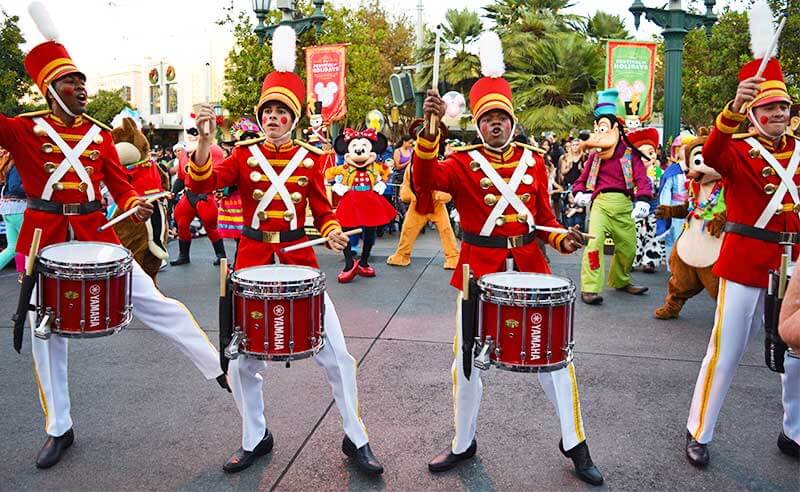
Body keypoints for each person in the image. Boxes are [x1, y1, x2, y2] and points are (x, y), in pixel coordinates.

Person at [0, 17, 225, 469]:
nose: (81, 89)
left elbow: (120, 187)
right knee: (48, 337)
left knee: (155, 301)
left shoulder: (100, 135)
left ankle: (219, 369)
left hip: (96, 234)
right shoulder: (24, 130)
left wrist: (135, 202)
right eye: (71, 82)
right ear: (50, 89)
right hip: (43, 240)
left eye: (83, 81)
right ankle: (59, 428)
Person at [189, 26, 383, 475]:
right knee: (241, 362)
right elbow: (202, 183)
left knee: (338, 356)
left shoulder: (312, 159)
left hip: (300, 260)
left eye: (281, 111)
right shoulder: (241, 155)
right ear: (260, 116)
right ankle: (254, 436)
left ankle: (356, 438)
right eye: (268, 110)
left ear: (293, 118)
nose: (273, 116)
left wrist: (333, 232)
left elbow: (324, 208)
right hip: (253, 264)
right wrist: (203, 140)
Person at [414, 31, 603, 486]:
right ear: (478, 124)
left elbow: (542, 220)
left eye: (501, 116)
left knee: (555, 359)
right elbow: (423, 192)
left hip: (531, 271)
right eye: (487, 118)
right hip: (479, 273)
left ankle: (575, 443)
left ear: (512, 121)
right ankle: (463, 442)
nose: (495, 123)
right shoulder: (461, 162)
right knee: (466, 363)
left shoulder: (535, 162)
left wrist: (563, 241)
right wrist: (428, 134)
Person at [684, 6, 799, 465]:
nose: (779, 112)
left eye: (785, 106)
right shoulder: (735, 149)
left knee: (799, 348)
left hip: (795, 263)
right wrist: (731, 108)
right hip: (747, 257)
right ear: (753, 111)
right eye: (770, 106)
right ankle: (699, 430)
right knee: (726, 349)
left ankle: (794, 431)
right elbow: (711, 150)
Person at [571, 89, 653, 306]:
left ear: (616, 129)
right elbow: (581, 180)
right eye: (597, 129)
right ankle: (590, 288)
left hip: (624, 205)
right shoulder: (594, 157)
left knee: (628, 247)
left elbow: (642, 178)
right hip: (600, 204)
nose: (598, 134)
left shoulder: (629, 153)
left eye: (604, 128)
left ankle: (620, 280)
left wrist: (643, 199)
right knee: (594, 243)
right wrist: (579, 193)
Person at [170, 115, 227, 266]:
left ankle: (221, 255)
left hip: (205, 195)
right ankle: (184, 255)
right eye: (190, 131)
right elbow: (181, 178)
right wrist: (173, 192)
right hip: (189, 194)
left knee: (210, 226)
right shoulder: (184, 153)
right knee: (181, 223)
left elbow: (217, 174)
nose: (193, 134)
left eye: (196, 131)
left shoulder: (214, 150)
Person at [0, 152, 27, 279]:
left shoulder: (10, 167)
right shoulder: (18, 167)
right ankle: (24, 274)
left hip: (9, 209)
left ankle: (22, 275)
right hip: (19, 208)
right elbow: (15, 187)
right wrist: (32, 188)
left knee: (13, 248)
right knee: (28, 245)